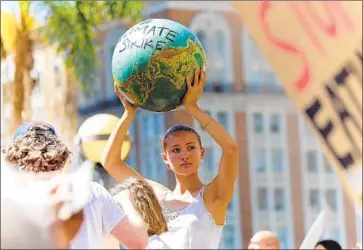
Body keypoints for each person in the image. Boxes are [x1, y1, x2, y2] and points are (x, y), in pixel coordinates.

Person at [101, 67, 239, 248]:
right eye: (176, 150)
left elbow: (230, 149)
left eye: (191, 147)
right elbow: (110, 162)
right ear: (165, 158)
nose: (184, 155)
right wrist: (129, 113)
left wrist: (192, 108)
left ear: (202, 152)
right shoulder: (156, 197)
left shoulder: (212, 197)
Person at [2, 121, 148, 249]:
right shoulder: (92, 191)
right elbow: (138, 242)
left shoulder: (9, 198)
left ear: (14, 158)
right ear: (61, 154)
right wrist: (127, 202)